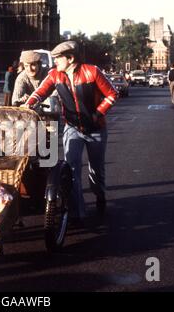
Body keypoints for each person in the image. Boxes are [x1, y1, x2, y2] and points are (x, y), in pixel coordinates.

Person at [23, 41, 118, 221]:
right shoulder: (55, 75)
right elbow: (40, 92)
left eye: (58, 58)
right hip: (72, 127)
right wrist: (27, 105)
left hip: (96, 129)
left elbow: (112, 94)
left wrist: (97, 114)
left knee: (96, 170)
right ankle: (77, 214)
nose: (55, 62)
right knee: (71, 170)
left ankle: (100, 195)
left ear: (70, 58)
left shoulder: (92, 71)